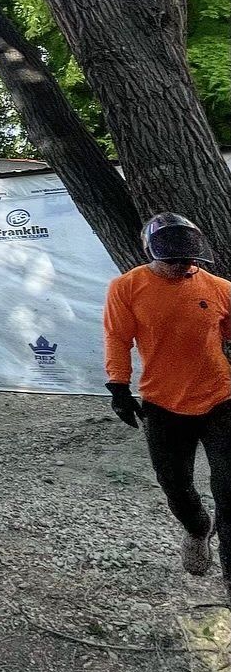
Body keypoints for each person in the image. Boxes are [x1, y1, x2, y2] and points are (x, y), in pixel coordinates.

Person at [103, 213, 231, 599]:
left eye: (189, 260)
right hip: (163, 404)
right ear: (151, 253)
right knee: (175, 485)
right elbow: (117, 337)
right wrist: (118, 385)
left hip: (221, 399)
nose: (183, 266)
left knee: (230, 488)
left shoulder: (221, 288)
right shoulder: (127, 288)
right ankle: (197, 528)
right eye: (173, 260)